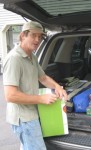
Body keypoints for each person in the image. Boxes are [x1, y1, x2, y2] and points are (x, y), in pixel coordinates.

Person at [3, 21, 68, 150]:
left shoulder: (31, 56)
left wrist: (57, 87)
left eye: (40, 36)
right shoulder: (14, 59)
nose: (37, 40)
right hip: (24, 119)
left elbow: (43, 77)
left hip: (32, 114)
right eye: (33, 35)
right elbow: (10, 95)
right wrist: (41, 99)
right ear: (23, 36)